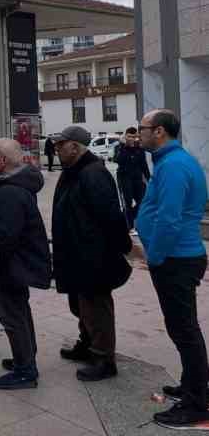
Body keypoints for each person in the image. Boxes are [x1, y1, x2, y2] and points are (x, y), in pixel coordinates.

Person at [135, 110, 209, 429]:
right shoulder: (170, 161)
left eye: (143, 129)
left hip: (175, 259)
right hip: (176, 257)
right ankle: (193, 386)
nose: (139, 134)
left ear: (160, 132)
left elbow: (169, 218)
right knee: (183, 329)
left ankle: (196, 404)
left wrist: (155, 256)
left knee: (185, 330)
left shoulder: (175, 166)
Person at [51, 125, 132, 383]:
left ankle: (104, 358)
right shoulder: (74, 171)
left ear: (75, 146)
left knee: (96, 307)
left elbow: (111, 216)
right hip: (76, 253)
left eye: (60, 145)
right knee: (80, 305)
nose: (56, 150)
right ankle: (86, 344)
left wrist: (123, 247)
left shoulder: (93, 173)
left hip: (93, 256)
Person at [0, 138, 51, 388]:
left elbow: (7, 236)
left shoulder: (10, 191)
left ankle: (25, 371)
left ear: (2, 160)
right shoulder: (11, 184)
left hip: (10, 265)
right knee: (19, 311)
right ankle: (25, 358)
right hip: (14, 263)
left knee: (12, 315)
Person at [114, 126, 150, 230]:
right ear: (125, 136)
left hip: (137, 179)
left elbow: (144, 165)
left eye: (134, 137)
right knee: (127, 203)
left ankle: (130, 217)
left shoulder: (139, 148)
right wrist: (124, 146)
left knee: (143, 201)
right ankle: (129, 227)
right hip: (124, 179)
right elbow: (118, 160)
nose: (131, 139)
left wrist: (149, 179)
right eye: (129, 136)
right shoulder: (120, 147)